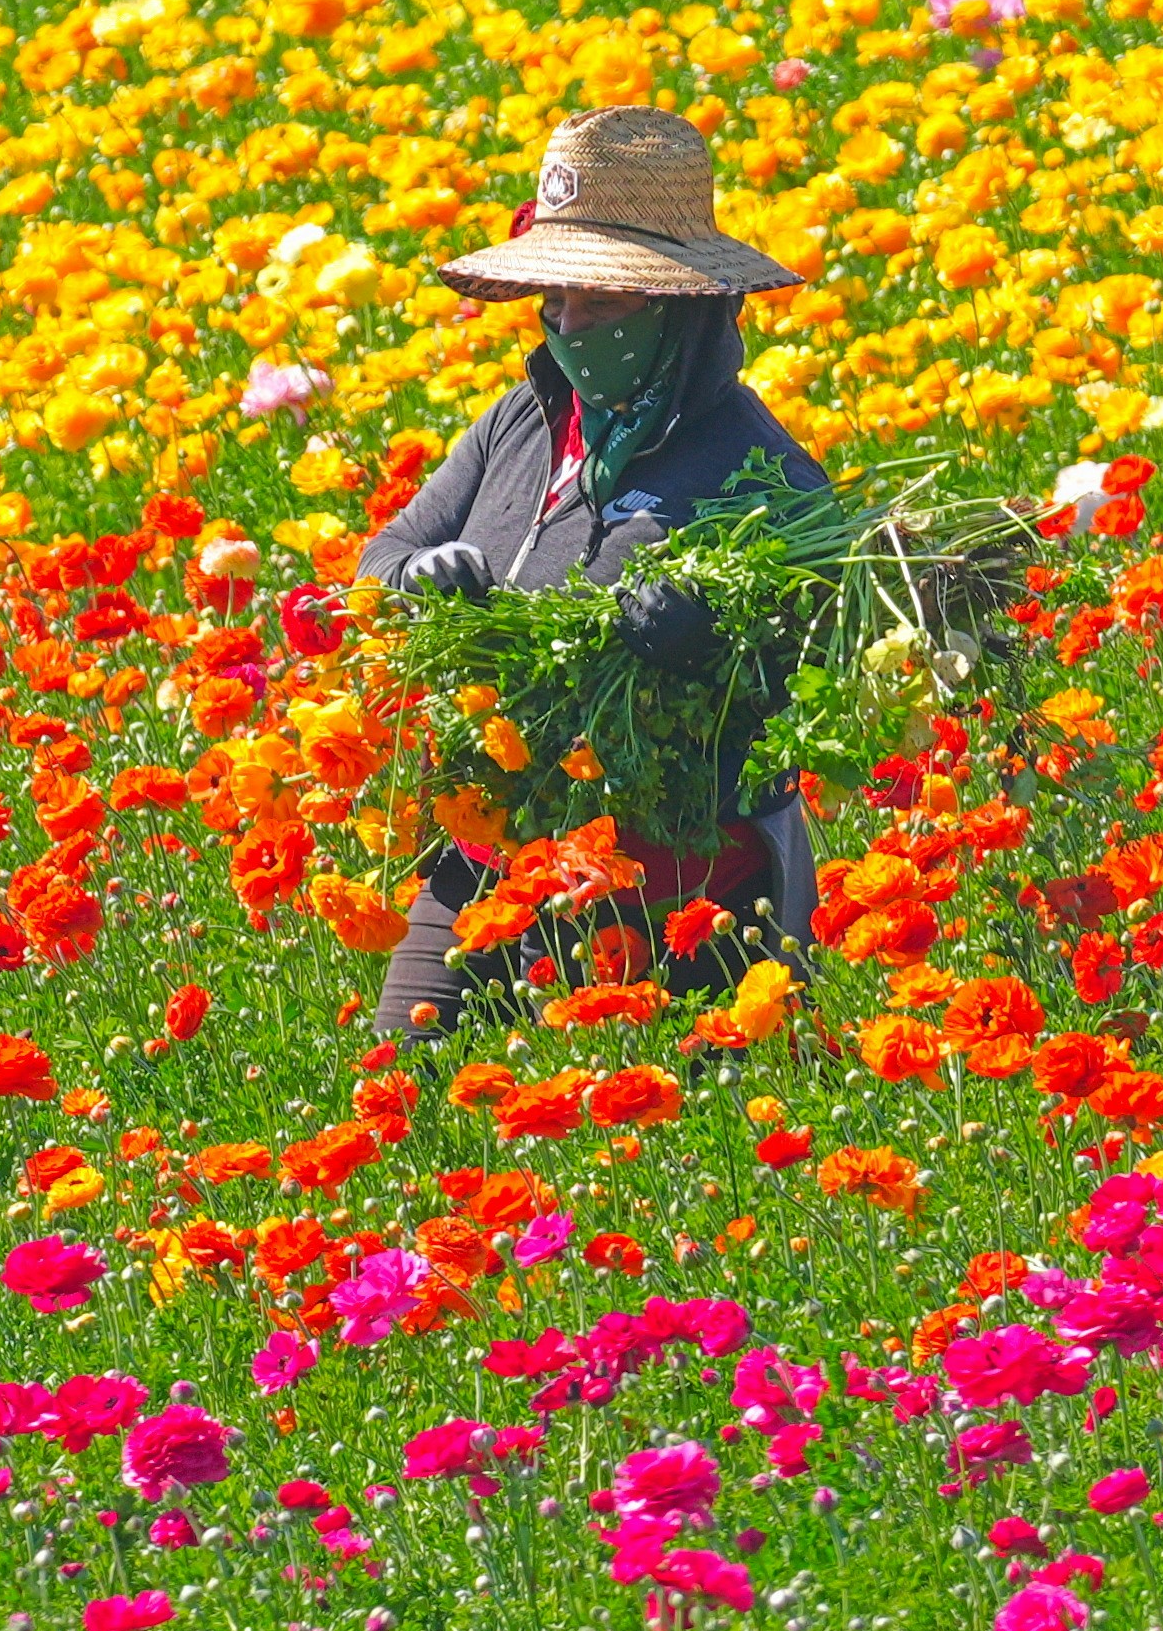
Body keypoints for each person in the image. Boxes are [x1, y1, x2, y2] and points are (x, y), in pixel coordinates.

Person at [350, 104, 824, 1037]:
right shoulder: (522, 421)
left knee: (657, 1102)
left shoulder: (754, 465)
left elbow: (815, 653)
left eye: (600, 305)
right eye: (555, 301)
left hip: (676, 889)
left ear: (676, 308)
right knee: (406, 1068)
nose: (569, 326)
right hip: (492, 854)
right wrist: (419, 577)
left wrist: (712, 634)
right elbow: (384, 555)